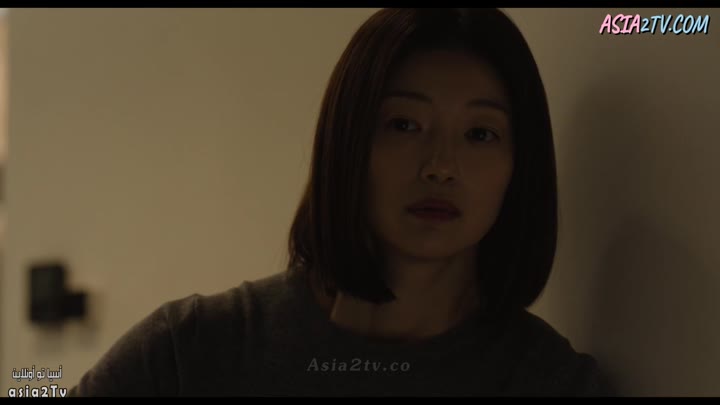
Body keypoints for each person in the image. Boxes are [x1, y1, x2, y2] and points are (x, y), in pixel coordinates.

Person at [70, 8, 614, 396]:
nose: (440, 165)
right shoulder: (192, 352)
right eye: (404, 124)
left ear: (519, 166)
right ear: (347, 144)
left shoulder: (549, 382)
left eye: (480, 134)